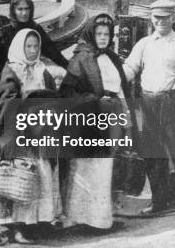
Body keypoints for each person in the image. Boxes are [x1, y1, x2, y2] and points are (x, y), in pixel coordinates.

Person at [0, 28, 63, 244]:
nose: (32, 50)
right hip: (20, 129)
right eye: (28, 46)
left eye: (36, 46)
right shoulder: (12, 70)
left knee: (42, 174)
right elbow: (7, 100)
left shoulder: (42, 69)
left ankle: (37, 221)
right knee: (22, 174)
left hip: (41, 128)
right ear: (20, 47)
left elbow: (53, 93)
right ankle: (17, 225)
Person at [59, 13, 137, 229]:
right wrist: (94, 100)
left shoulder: (111, 57)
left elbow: (120, 88)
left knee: (106, 166)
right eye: (99, 33)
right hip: (89, 118)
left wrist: (126, 118)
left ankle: (100, 218)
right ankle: (79, 216)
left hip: (112, 115)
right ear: (91, 34)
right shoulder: (81, 58)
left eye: (107, 34)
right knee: (86, 167)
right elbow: (67, 92)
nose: (103, 37)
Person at [123, 0, 175, 214]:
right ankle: (159, 201)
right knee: (151, 151)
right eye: (157, 17)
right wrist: (111, 80)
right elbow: (130, 68)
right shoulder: (144, 44)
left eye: (165, 17)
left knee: (174, 151)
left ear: (173, 18)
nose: (160, 21)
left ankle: (174, 199)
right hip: (148, 102)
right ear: (151, 18)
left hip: (172, 102)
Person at [0, 0, 69, 81]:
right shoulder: (4, 33)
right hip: (11, 75)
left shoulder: (36, 29)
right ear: (13, 11)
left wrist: (68, 67)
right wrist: (4, 79)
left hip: (33, 74)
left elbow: (52, 52)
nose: (24, 13)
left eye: (27, 9)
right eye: (20, 9)